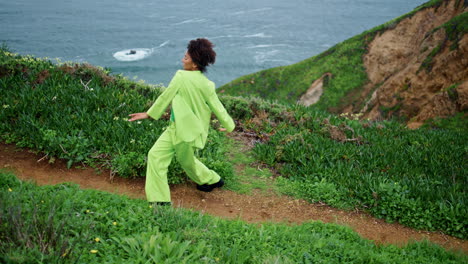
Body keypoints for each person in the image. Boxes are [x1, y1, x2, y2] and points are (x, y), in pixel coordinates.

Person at [128, 38, 235, 206]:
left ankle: (160, 201)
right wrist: (230, 126)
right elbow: (217, 107)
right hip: (186, 130)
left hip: (183, 131)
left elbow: (166, 97)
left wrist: (149, 114)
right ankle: (212, 180)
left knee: (165, 158)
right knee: (172, 158)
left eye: (185, 58)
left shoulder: (180, 76)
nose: (182, 60)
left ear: (194, 64)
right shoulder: (207, 84)